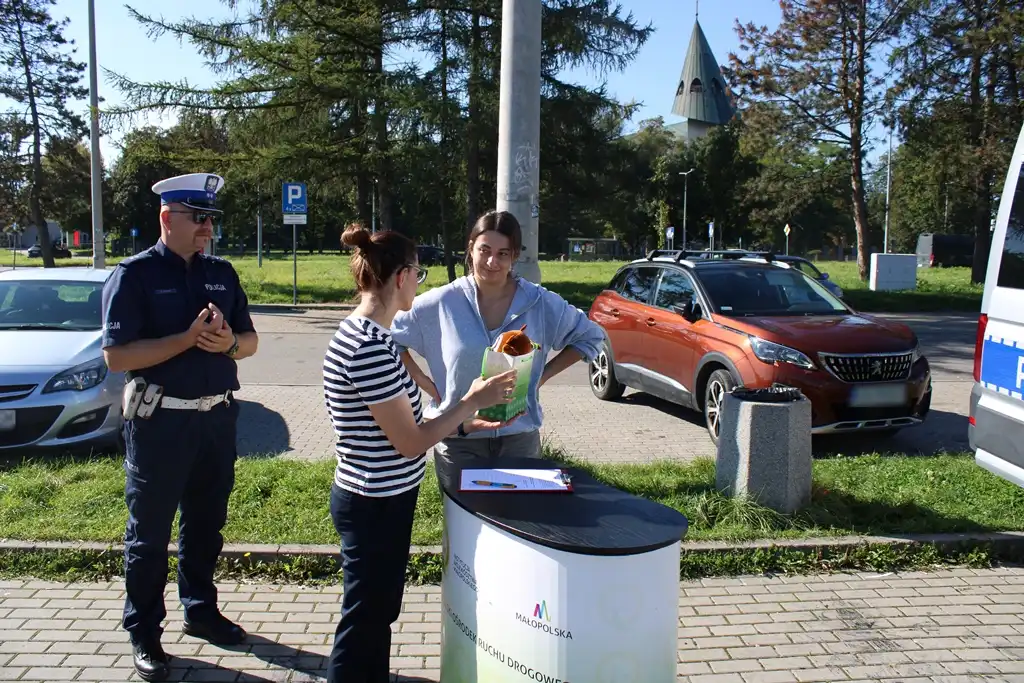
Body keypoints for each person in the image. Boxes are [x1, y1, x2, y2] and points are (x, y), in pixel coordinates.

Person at [322, 222, 518, 683]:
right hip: (373, 501)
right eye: (419, 273)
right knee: (365, 616)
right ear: (401, 277)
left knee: (379, 610)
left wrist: (465, 421)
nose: (420, 282)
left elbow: (406, 427)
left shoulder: (374, 337)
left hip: (382, 496)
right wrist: (471, 400)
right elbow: (409, 442)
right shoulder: (368, 347)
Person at [100, 172, 259, 682]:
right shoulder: (135, 275)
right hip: (160, 422)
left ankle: (200, 609)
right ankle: (144, 632)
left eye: (211, 219)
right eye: (199, 219)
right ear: (168, 219)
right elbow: (117, 355)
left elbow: (251, 340)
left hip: (216, 419)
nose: (207, 229)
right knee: (148, 536)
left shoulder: (222, 272)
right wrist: (188, 338)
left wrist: (227, 343)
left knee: (205, 526)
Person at [391, 209, 606, 463]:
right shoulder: (442, 302)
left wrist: (539, 378)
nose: (492, 262)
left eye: (503, 254)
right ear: (471, 249)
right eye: (485, 250)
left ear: (514, 256)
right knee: (461, 506)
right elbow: (390, 335)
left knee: (519, 505)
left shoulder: (539, 303)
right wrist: (423, 380)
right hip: (459, 442)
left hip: (519, 441)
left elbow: (591, 336)